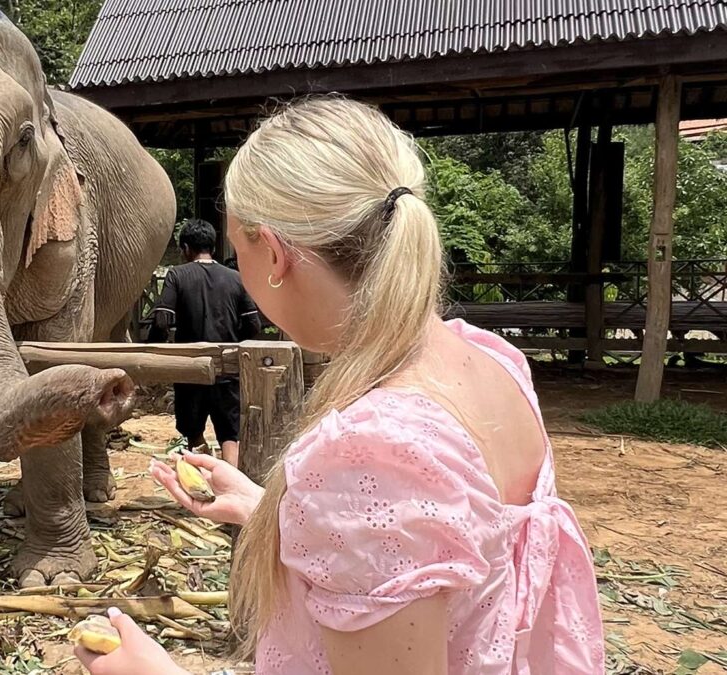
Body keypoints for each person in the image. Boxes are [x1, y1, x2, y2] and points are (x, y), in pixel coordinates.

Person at [77, 97, 604, 674]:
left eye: (241, 247)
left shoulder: (369, 452)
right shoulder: (488, 357)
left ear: (274, 253)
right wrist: (273, 511)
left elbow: (392, 500)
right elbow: (445, 544)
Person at [148, 218, 261, 468]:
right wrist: (235, 345)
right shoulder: (236, 278)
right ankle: (230, 483)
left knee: (193, 433)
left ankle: (204, 483)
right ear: (212, 246)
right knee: (230, 436)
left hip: (191, 369)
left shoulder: (177, 275)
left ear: (186, 247)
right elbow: (254, 325)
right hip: (229, 368)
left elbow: (161, 321)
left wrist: (153, 352)